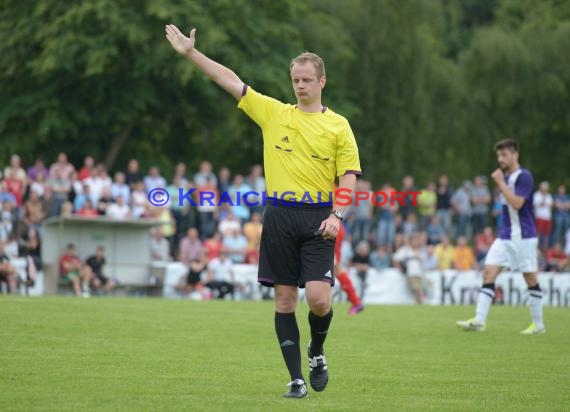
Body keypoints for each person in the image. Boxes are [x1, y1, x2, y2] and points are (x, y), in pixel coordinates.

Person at [165, 25, 361, 398]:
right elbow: (231, 81)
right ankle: (295, 380)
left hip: (319, 216)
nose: (299, 85)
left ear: (322, 81)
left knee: (319, 300)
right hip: (279, 216)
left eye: (306, 79)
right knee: (285, 300)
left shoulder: (339, 126)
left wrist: (337, 215)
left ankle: (316, 352)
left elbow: (348, 177)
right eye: (295, 79)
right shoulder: (274, 113)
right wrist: (191, 54)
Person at [457, 139, 545, 334]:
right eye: (499, 155)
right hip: (505, 236)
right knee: (488, 273)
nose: (501, 159)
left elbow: (517, 204)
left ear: (515, 155)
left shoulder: (524, 177)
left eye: (504, 155)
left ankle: (538, 325)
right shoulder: (505, 178)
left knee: (530, 278)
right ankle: (479, 320)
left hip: (524, 236)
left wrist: (499, 182)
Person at [334, 224, 364, 315]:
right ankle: (356, 302)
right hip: (333, 227)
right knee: (336, 269)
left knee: (335, 268)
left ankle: (356, 302)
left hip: (331, 228)